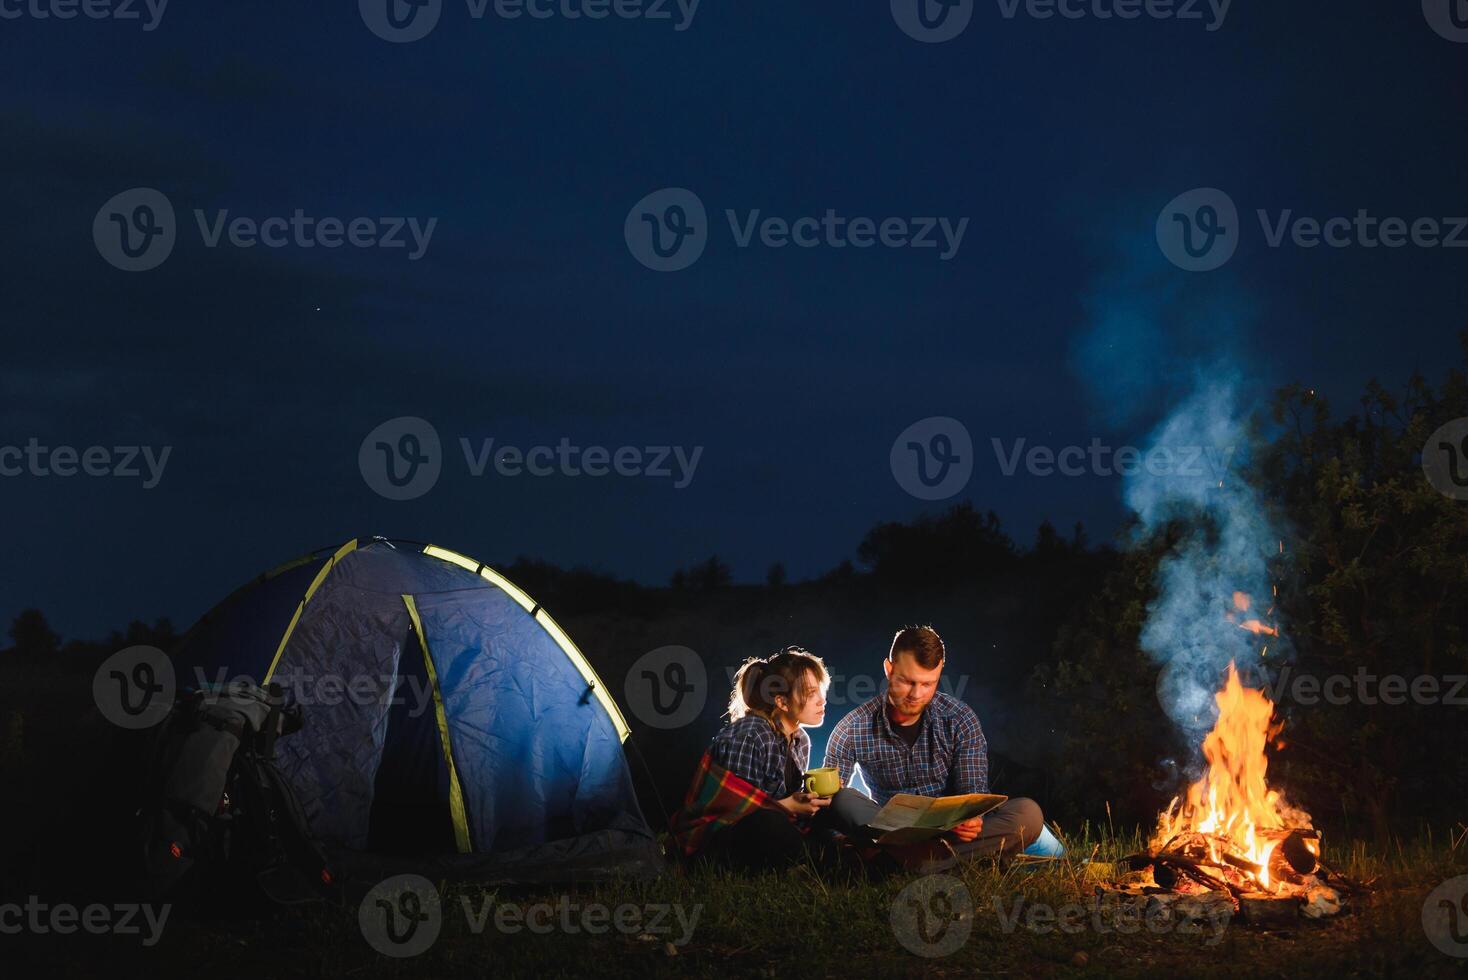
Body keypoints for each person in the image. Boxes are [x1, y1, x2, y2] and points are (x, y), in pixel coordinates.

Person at [823, 625, 1064, 868]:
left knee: (1028, 813)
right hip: (892, 832)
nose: (916, 694)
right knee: (842, 798)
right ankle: (948, 860)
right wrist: (843, 837)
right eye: (907, 681)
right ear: (889, 669)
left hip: (951, 833)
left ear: (939, 674)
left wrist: (972, 820)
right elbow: (828, 805)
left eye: (928, 684)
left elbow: (973, 793)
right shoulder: (852, 728)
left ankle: (902, 862)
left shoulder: (960, 719)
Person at [670, 646, 884, 873]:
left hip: (784, 828)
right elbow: (734, 816)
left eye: (821, 691)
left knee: (844, 798)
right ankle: (837, 857)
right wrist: (787, 807)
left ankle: (891, 840)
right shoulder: (750, 734)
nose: (822, 700)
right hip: (719, 841)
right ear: (782, 702)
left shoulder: (800, 739)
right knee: (770, 825)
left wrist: (810, 801)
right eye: (811, 693)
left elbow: (788, 804)